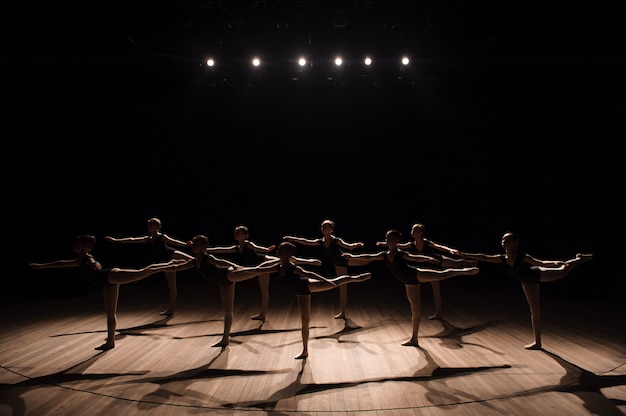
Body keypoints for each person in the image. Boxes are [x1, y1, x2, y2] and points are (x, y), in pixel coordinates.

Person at [29, 235, 187, 351]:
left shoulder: (87, 259)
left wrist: (95, 264)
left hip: (110, 276)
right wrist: (43, 266)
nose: (73, 246)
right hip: (106, 283)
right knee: (110, 313)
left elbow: (95, 264)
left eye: (76, 243)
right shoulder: (80, 259)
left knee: (142, 272)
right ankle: (110, 342)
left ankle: (170, 264)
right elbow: (62, 263)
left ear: (83, 246)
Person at [342, 229, 479, 347]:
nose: (387, 240)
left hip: (416, 274)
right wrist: (353, 255)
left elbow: (415, 258)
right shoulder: (384, 255)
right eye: (386, 238)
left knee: (442, 274)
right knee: (416, 310)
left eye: (390, 238)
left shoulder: (401, 253)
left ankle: (465, 270)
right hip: (408, 282)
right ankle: (414, 339)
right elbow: (368, 256)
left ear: (396, 240)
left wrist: (428, 259)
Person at [457, 232, 593, 350]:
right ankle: (537, 342)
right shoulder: (502, 258)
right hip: (527, 282)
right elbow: (484, 257)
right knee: (535, 311)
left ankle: (578, 260)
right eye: (503, 240)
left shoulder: (522, 256)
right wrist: (466, 255)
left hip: (538, 274)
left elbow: (540, 263)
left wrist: (555, 263)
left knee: (564, 270)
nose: (504, 242)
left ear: (515, 243)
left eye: (507, 240)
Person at [172, 234, 301, 347]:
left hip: (229, 275)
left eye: (196, 244)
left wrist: (234, 266)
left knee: (259, 270)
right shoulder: (194, 261)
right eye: (193, 243)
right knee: (228, 310)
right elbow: (175, 266)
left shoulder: (207, 257)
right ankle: (225, 339)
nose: (193, 245)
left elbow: (220, 261)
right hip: (223, 282)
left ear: (203, 246)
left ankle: (287, 262)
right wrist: (156, 268)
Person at [271, 241, 372, 359]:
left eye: (281, 249)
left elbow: (310, 274)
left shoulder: (294, 267)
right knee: (305, 322)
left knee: (337, 281)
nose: (278, 251)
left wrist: (326, 280)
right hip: (300, 292)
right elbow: (260, 269)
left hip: (307, 286)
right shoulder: (277, 267)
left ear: (288, 254)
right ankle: (305, 351)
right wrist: (246, 270)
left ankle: (357, 277)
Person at [377, 223, 478, 320]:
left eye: (414, 229)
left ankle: (471, 263)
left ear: (421, 233)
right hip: (431, 266)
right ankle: (438, 314)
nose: (412, 231)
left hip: (438, 260)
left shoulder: (426, 243)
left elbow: (439, 247)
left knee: (457, 263)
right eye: (412, 229)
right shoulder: (411, 244)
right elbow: (397, 245)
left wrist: (450, 250)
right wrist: (383, 243)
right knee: (436, 291)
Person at [105, 217, 193, 316]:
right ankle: (171, 309)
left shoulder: (162, 237)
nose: (149, 226)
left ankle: (211, 263)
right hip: (167, 262)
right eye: (148, 225)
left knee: (195, 261)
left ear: (157, 227)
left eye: (151, 225)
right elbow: (132, 239)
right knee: (172, 286)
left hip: (173, 254)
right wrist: (116, 240)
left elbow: (174, 242)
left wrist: (186, 244)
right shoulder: (148, 239)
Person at [283, 219, 366, 320]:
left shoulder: (336, 240)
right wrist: (292, 238)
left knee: (367, 261)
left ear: (331, 229)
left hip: (344, 260)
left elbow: (349, 246)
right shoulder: (320, 242)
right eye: (322, 226)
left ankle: (343, 312)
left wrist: (357, 244)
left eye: (325, 226)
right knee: (342, 288)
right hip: (339, 264)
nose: (322, 228)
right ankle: (343, 312)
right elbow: (306, 241)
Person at [205, 225, 277, 321]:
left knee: (265, 290)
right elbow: (221, 249)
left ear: (245, 235)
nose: (235, 234)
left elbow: (259, 248)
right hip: (257, 267)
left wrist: (267, 249)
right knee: (264, 290)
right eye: (235, 232)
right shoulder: (236, 248)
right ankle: (262, 314)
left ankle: (262, 314)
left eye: (238, 233)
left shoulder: (249, 244)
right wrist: (205, 249)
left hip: (264, 262)